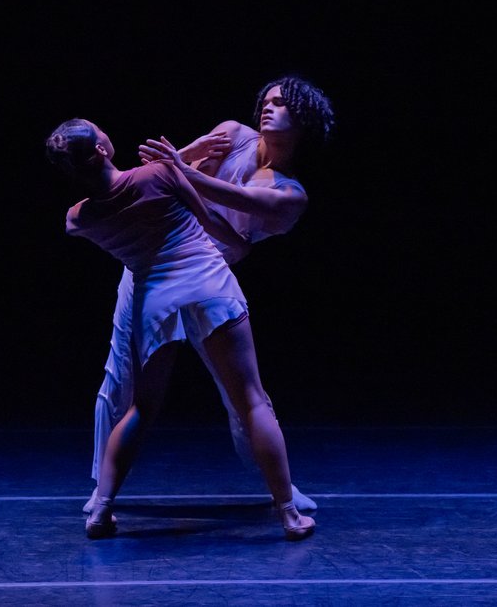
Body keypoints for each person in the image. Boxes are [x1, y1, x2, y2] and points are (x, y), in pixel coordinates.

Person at [46, 118, 315, 541]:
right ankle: (289, 515)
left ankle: (100, 509)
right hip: (207, 283)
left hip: (153, 299)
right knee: (252, 401)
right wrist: (182, 165)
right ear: (101, 150)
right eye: (101, 132)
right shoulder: (159, 173)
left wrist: (179, 163)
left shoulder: (78, 218)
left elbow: (116, 200)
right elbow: (211, 219)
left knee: (141, 408)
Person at [84, 76, 336, 514]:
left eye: (282, 103)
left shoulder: (289, 195)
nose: (268, 107)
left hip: (208, 277)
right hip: (152, 264)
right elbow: (156, 176)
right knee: (119, 379)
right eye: (267, 99)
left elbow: (234, 225)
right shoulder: (235, 134)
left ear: (304, 121)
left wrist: (185, 178)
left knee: (242, 396)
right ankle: (101, 489)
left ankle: (281, 487)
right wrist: (188, 159)